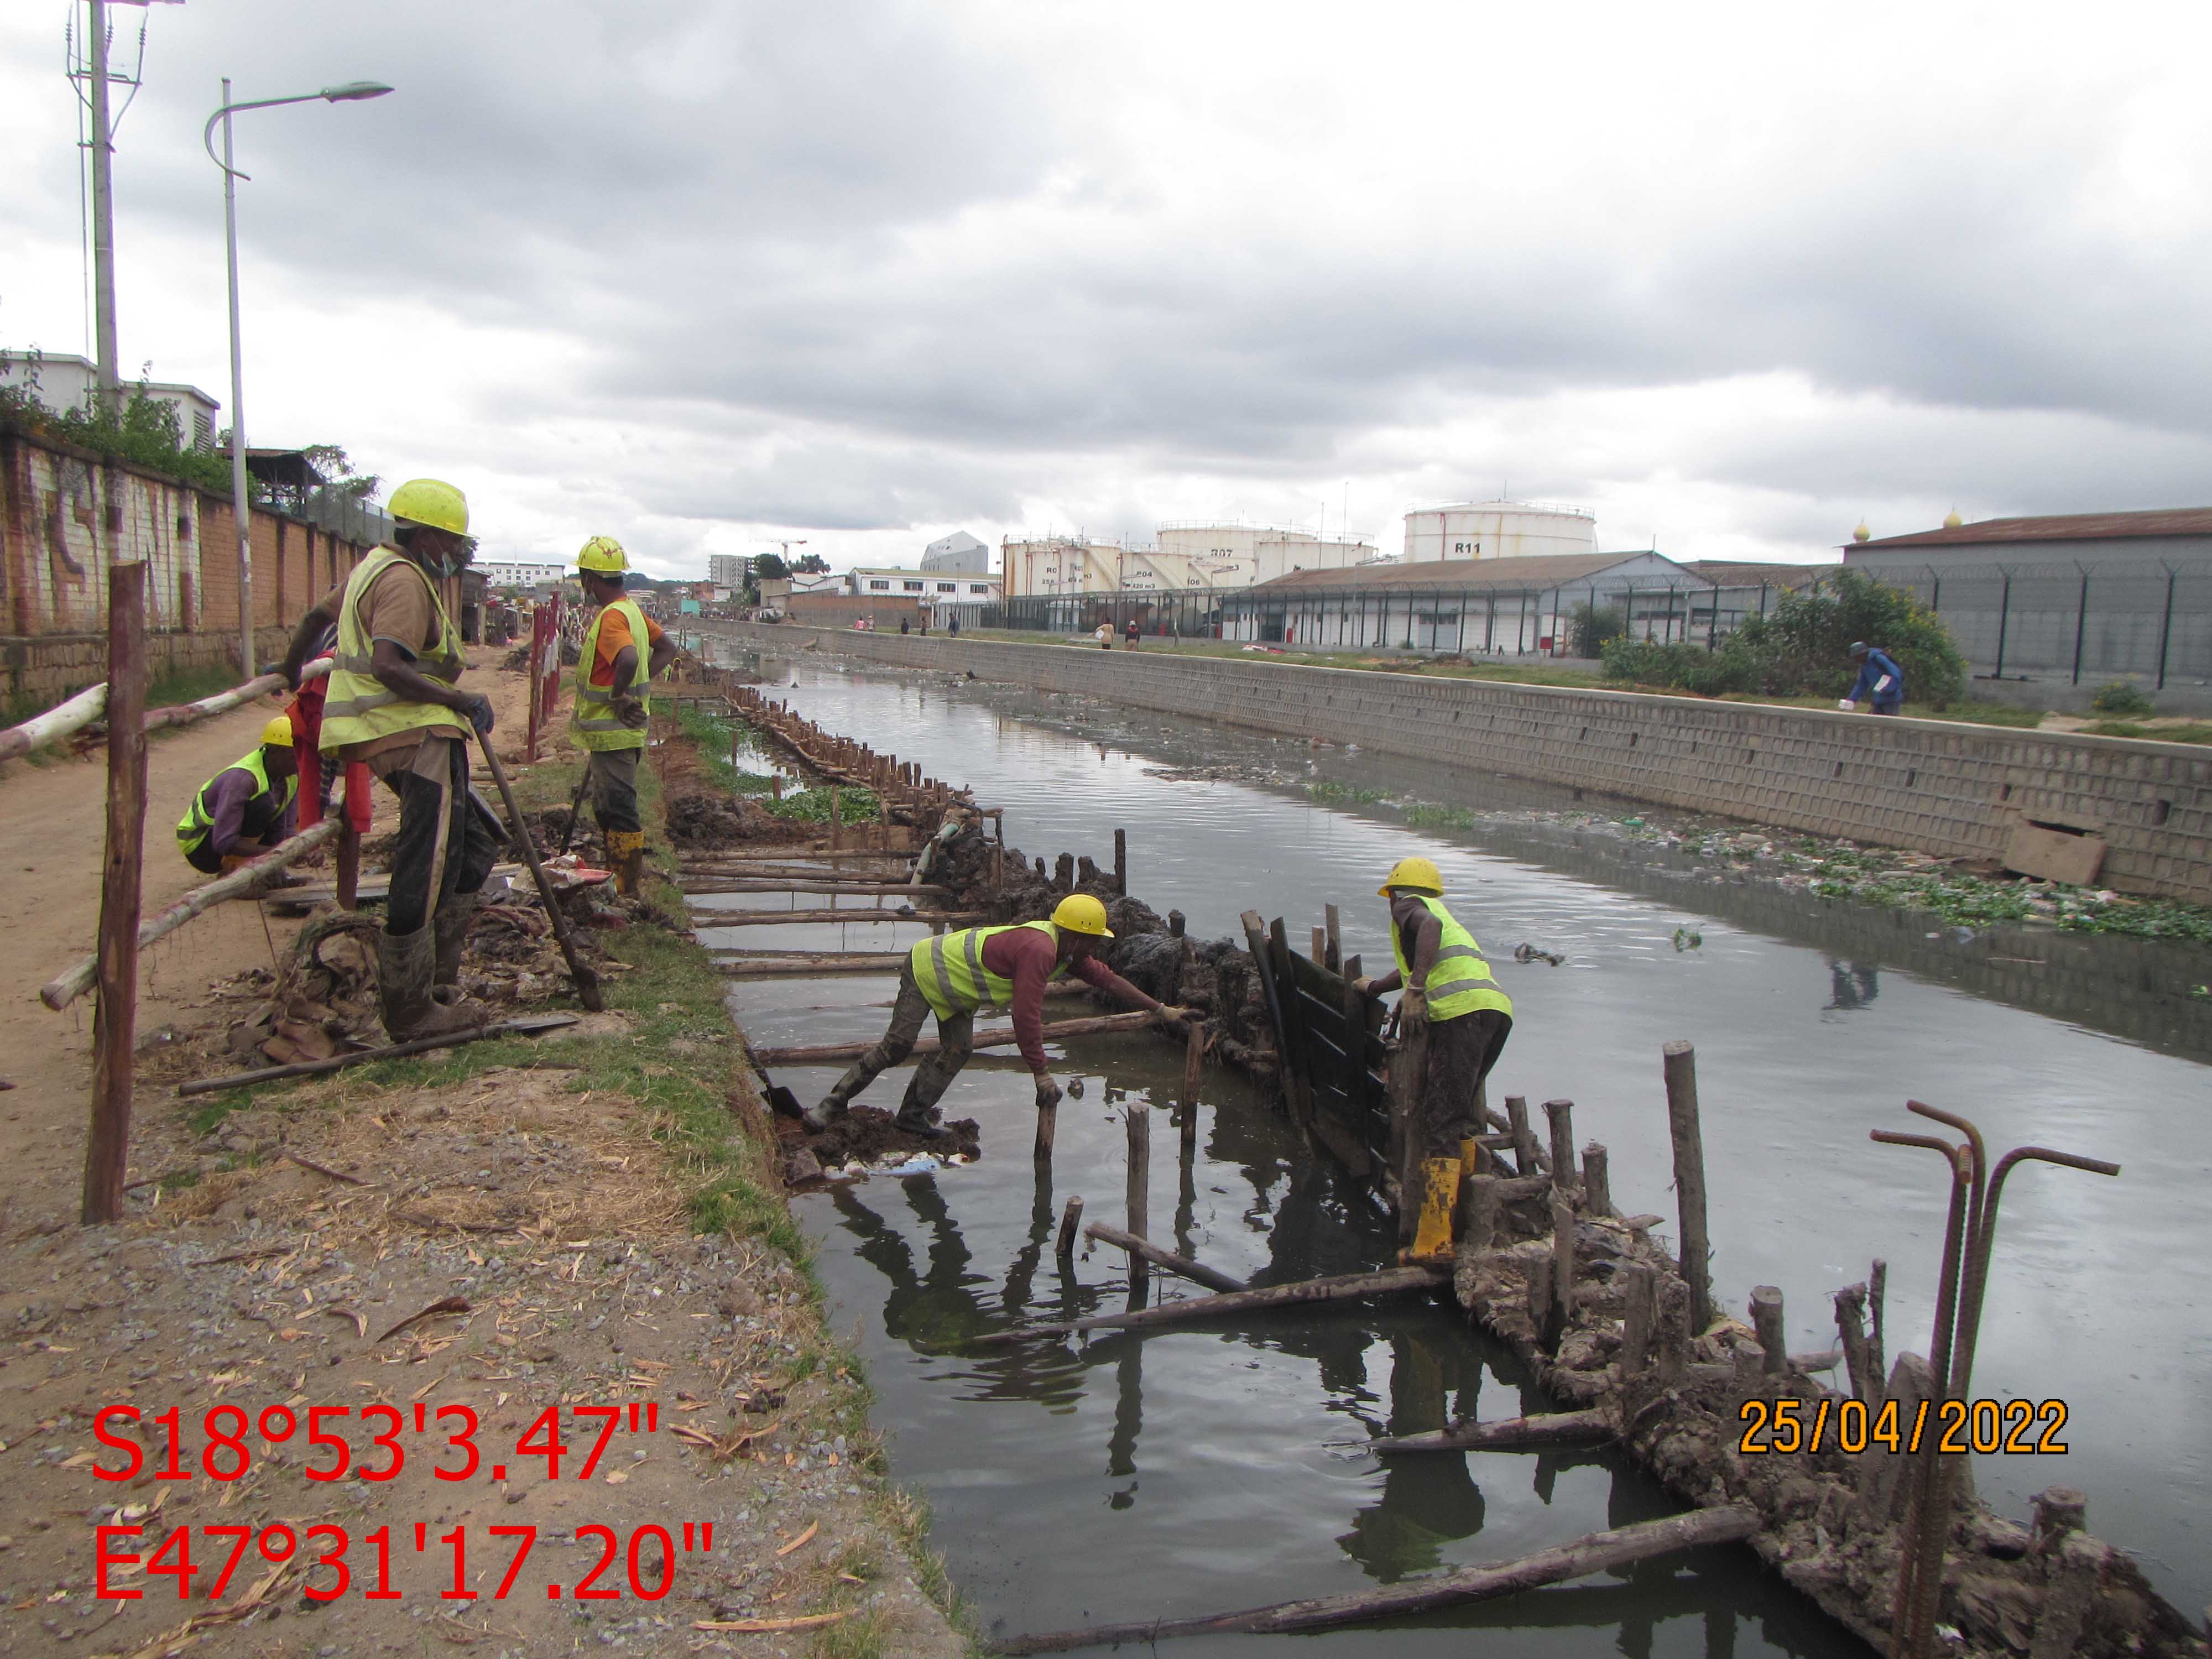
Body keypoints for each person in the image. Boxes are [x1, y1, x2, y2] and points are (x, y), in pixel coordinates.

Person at [281, 477, 499, 1041]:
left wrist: (287, 670)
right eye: (450, 544)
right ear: (424, 535)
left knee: (473, 846)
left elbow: (312, 619)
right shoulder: (403, 580)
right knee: (427, 865)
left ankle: (436, 983)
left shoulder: (369, 568)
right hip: (412, 735)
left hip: (406, 733)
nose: (455, 554)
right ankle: (409, 1009)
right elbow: (388, 666)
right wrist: (460, 699)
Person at [803, 894, 1189, 1140]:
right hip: (928, 970)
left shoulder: (1065, 951)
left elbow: (1107, 979)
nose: (1095, 948)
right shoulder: (1040, 951)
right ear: (1073, 935)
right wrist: (1041, 1071)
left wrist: (1159, 1009)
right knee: (898, 1046)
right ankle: (831, 1105)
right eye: (1092, 940)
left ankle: (911, 1117)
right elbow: (1026, 1017)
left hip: (957, 989)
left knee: (958, 1049)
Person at [1354, 857, 1514, 1264]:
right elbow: (1411, 968)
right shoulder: (1441, 914)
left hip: (1464, 1016)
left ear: (1395, 893)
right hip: (1493, 1013)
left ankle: (1434, 1240)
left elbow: (1429, 931)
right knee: (1459, 1115)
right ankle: (1465, 1218)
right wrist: (1376, 986)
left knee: (1439, 1120)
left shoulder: (1411, 907)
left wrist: (1418, 991)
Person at [573, 536, 677, 896]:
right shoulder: (632, 610)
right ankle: (617, 875)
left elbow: (629, 659)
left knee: (619, 809)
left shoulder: (613, 617)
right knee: (607, 805)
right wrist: (632, 687)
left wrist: (620, 694)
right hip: (622, 731)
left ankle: (626, 887)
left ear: (590, 579)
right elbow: (668, 648)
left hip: (615, 730)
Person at [176, 716, 299, 875]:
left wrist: (299, 850)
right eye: (296, 754)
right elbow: (224, 842)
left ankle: (264, 873)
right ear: (276, 751)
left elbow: (285, 831)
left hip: (228, 840)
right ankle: (236, 869)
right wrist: (275, 853)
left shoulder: (291, 777)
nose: (301, 759)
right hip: (202, 845)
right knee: (263, 804)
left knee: (272, 810)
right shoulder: (242, 780)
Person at [1841, 641, 1905, 714]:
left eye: (1857, 657)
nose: (1856, 660)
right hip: (1877, 700)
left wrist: (1888, 688)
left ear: (1864, 654)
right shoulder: (1864, 666)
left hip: (1891, 700)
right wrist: (1851, 700)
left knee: (1889, 724)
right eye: (1854, 658)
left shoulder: (1878, 658)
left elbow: (1897, 674)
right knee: (1873, 723)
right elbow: (1862, 685)